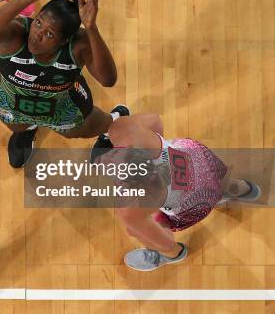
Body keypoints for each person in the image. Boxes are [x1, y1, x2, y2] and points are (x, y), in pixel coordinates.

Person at [0, 0, 125, 167]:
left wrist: (91, 28)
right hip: (12, 102)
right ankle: (29, 128)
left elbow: (108, 79)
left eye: (49, 34)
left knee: (91, 127)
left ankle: (115, 123)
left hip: (63, 105)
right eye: (39, 22)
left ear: (64, 41)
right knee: (17, 125)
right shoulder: (16, 34)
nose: (37, 35)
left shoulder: (77, 45)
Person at [93, 113, 262, 271]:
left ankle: (173, 255)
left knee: (137, 230)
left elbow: (161, 237)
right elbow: (154, 120)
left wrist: (164, 244)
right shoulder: (124, 130)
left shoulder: (132, 206)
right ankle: (241, 189)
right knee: (214, 177)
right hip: (202, 159)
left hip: (196, 205)